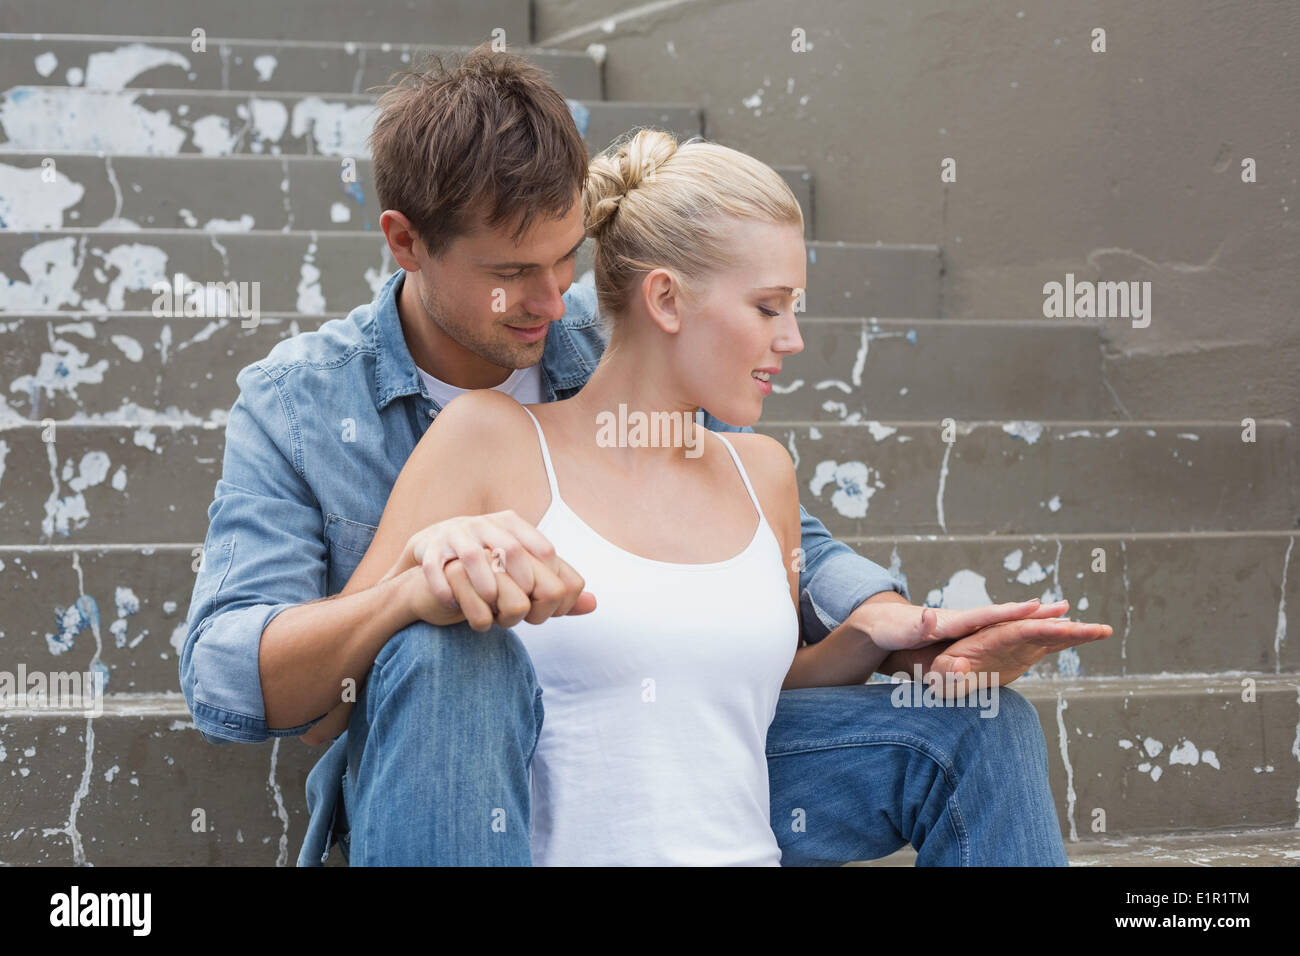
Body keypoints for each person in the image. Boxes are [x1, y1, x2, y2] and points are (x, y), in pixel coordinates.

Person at [178, 44, 1110, 867]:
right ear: (404, 243)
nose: (552, 302)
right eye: (511, 276)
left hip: (664, 748)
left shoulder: (615, 339)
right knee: (456, 649)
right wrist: (416, 592)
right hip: (453, 763)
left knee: (980, 725)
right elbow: (239, 676)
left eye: (567, 259)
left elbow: (758, 545)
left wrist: (888, 624)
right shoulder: (303, 403)